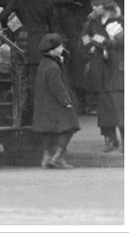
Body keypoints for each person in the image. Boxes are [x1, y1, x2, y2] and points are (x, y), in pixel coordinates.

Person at [0, 0, 58, 120]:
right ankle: (43, 116)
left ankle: (23, 118)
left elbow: (4, 17)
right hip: (43, 43)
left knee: (22, 81)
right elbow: (53, 23)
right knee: (41, 80)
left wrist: (15, 27)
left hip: (23, 43)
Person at [81, 0, 124, 153]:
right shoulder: (90, 23)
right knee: (104, 108)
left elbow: (124, 41)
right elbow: (84, 37)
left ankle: (126, 140)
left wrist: (106, 42)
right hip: (99, 68)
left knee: (120, 106)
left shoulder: (120, 21)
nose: (94, 9)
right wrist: (91, 46)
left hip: (117, 68)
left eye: (97, 5)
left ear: (106, 5)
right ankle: (109, 139)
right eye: (93, 5)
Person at [32, 33, 79, 169]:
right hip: (56, 105)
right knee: (71, 125)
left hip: (45, 106)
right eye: (59, 46)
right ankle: (58, 157)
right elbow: (58, 87)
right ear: (52, 49)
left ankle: (46, 158)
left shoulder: (45, 63)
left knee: (48, 131)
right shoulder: (53, 67)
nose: (61, 49)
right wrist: (67, 102)